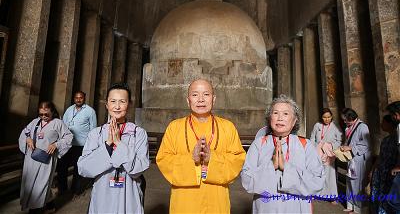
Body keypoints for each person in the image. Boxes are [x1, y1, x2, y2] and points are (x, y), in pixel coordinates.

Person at [156, 79, 246, 213]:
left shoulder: (227, 127)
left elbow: (237, 160)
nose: (201, 99)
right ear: (188, 100)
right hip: (184, 202)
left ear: (213, 99)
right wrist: (192, 159)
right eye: (195, 95)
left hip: (216, 200)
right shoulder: (175, 127)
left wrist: (212, 158)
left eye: (206, 94)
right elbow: (163, 160)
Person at [241, 95, 325, 213]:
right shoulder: (259, 144)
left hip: (297, 208)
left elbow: (318, 182)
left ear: (294, 120)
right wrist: (271, 166)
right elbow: (246, 180)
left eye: (285, 114)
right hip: (266, 208)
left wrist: (286, 168)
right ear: (270, 118)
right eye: (275, 113)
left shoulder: (306, 145)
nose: (280, 118)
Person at [77, 83, 149, 214]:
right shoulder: (96, 133)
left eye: (122, 101)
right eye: (113, 101)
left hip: (129, 193)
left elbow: (138, 169)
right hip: (102, 192)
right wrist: (108, 144)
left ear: (129, 104)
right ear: (107, 105)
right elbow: (83, 168)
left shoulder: (138, 133)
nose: (117, 106)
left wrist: (119, 143)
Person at [18, 101, 73, 213]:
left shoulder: (58, 123)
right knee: (29, 184)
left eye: (46, 114)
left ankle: (35, 210)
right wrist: (27, 138)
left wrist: (56, 144)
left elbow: (69, 137)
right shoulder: (35, 121)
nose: (43, 117)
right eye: (41, 114)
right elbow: (25, 132)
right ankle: (50, 205)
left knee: (41, 185)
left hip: (46, 160)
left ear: (52, 112)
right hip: (31, 158)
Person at [57, 91, 97, 195]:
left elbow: (93, 130)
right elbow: (63, 124)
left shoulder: (90, 111)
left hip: (81, 145)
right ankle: (62, 189)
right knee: (62, 166)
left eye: (81, 98)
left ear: (84, 98)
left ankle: (75, 190)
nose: (78, 100)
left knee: (77, 168)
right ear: (74, 98)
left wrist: (91, 146)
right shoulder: (69, 110)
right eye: (76, 97)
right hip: (67, 144)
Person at [340, 108, 371, 214]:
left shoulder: (362, 127)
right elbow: (349, 141)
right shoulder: (349, 127)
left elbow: (365, 144)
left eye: (345, 119)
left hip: (358, 159)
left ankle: (359, 209)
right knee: (350, 181)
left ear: (350, 117)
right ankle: (350, 205)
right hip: (351, 158)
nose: (344, 122)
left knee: (358, 183)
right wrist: (345, 146)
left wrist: (350, 148)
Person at [310, 108, 342, 201]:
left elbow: (339, 140)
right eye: (324, 117)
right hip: (318, 152)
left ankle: (332, 196)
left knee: (329, 175)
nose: (327, 119)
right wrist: (314, 148)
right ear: (321, 117)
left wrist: (330, 146)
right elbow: (312, 138)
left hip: (329, 153)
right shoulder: (317, 125)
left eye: (329, 117)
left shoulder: (335, 125)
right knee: (318, 174)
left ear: (331, 117)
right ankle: (318, 194)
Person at [370, 115, 399, 214]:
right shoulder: (386, 140)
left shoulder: (397, 141)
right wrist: (372, 171)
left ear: (390, 124)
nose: (381, 124)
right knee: (378, 197)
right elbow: (380, 157)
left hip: (390, 176)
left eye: (383, 122)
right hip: (380, 174)